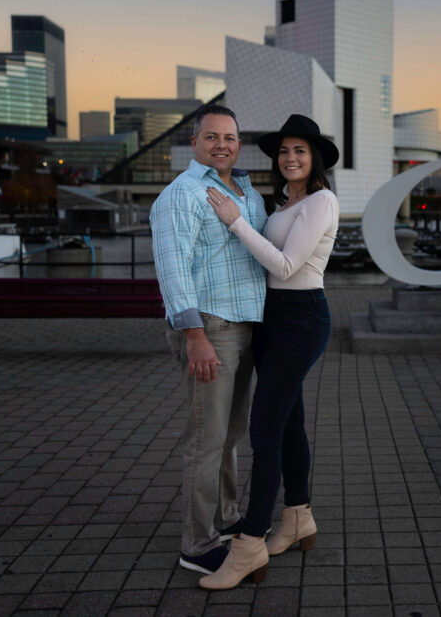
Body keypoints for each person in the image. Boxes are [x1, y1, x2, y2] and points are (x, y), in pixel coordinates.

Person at [199, 114, 339, 590]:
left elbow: (284, 264)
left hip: (302, 318)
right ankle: (298, 518)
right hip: (272, 318)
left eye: (299, 150)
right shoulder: (284, 203)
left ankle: (250, 541)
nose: (290, 158)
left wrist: (236, 222)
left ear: (314, 157)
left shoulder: (321, 201)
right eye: (283, 151)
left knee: (265, 430)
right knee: (290, 420)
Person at [150, 104, 268, 575]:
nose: (223, 144)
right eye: (212, 136)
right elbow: (172, 269)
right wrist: (194, 334)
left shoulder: (247, 191)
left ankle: (226, 517)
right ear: (194, 142)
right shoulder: (183, 194)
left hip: (246, 326)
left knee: (232, 432)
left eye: (231, 137)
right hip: (211, 328)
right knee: (206, 437)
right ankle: (197, 545)